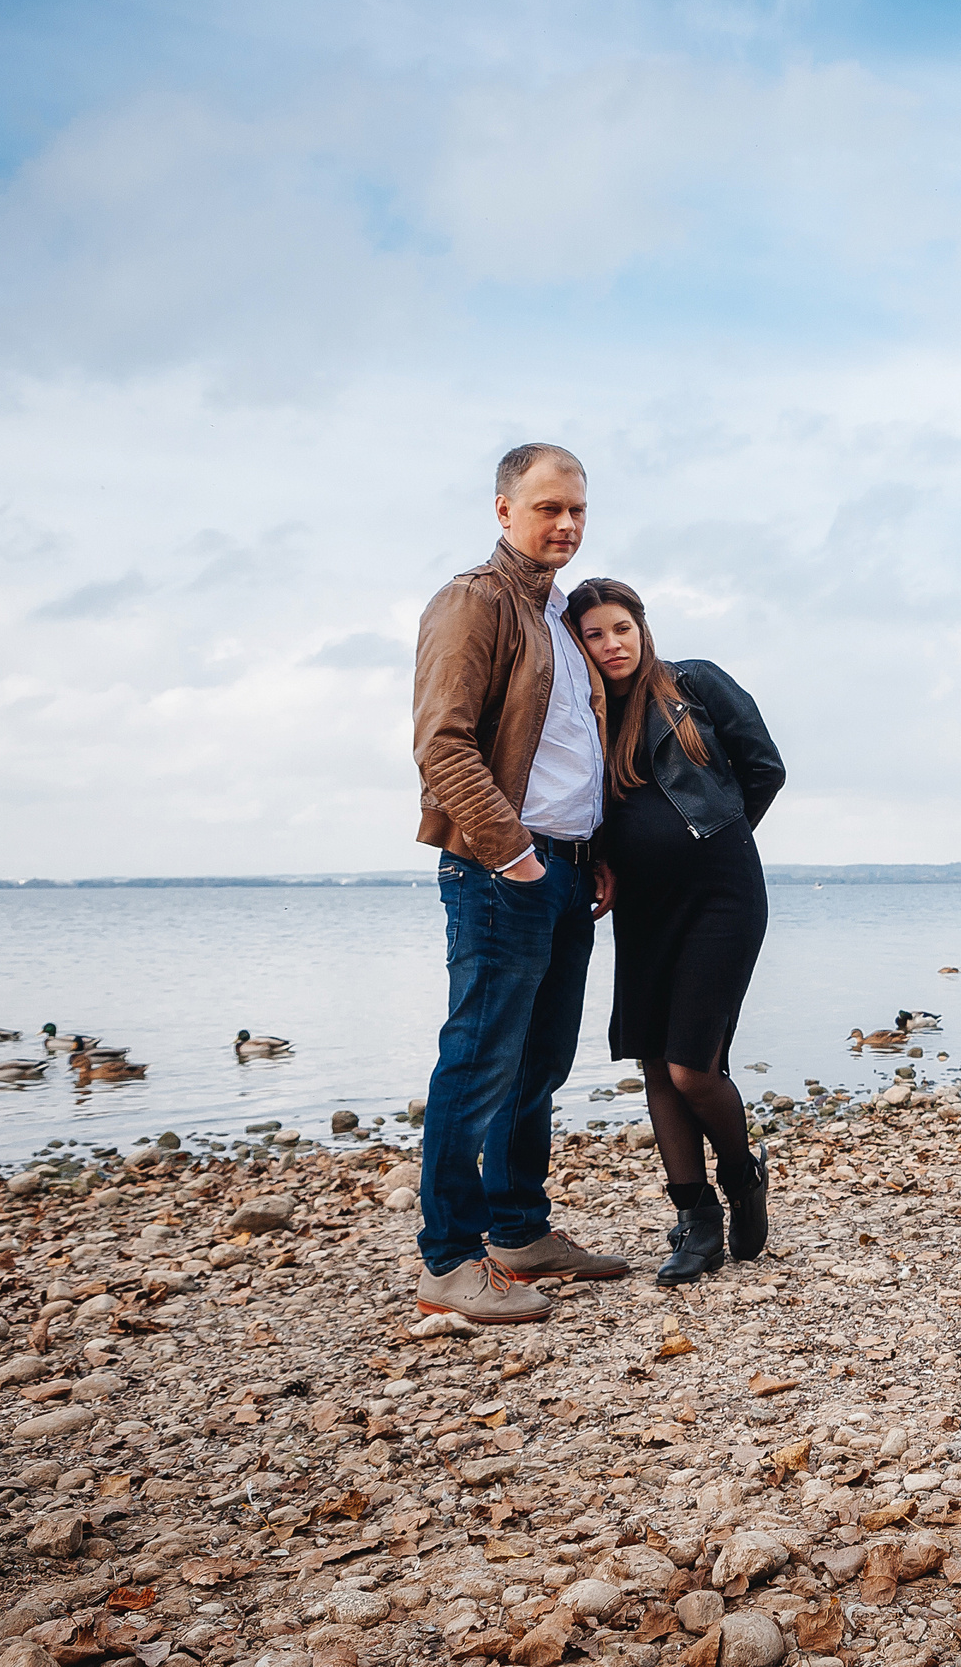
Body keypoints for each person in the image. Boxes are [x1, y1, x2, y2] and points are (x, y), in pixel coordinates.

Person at [410, 442, 631, 1324]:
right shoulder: (476, 601)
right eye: (548, 508)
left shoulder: (561, 616)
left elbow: (570, 749)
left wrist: (589, 849)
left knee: (539, 1062)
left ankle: (519, 1232)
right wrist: (516, 854)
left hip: (566, 867)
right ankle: (447, 1261)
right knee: (478, 1060)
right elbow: (443, 743)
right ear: (504, 510)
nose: (566, 524)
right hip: (502, 869)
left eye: (577, 509)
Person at [566, 577, 786, 1283]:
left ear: (642, 628)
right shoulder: (581, 716)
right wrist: (604, 860)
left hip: (722, 896)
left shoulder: (694, 683)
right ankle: (695, 1219)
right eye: (594, 634)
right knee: (656, 1063)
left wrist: (718, 840)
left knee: (694, 1066)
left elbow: (765, 767)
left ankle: (742, 1176)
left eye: (621, 628)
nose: (612, 644)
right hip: (643, 906)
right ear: (578, 644)